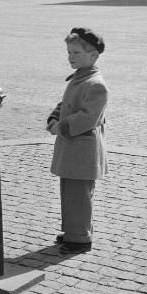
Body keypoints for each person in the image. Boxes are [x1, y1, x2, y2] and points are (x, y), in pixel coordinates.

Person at [46, 27, 108, 255]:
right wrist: (54, 116)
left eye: (76, 53)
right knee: (70, 193)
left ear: (93, 56)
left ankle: (80, 238)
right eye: (69, 53)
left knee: (80, 196)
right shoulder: (80, 78)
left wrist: (60, 127)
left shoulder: (95, 84)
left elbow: (87, 118)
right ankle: (73, 231)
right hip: (72, 149)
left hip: (82, 151)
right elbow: (66, 103)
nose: (71, 57)